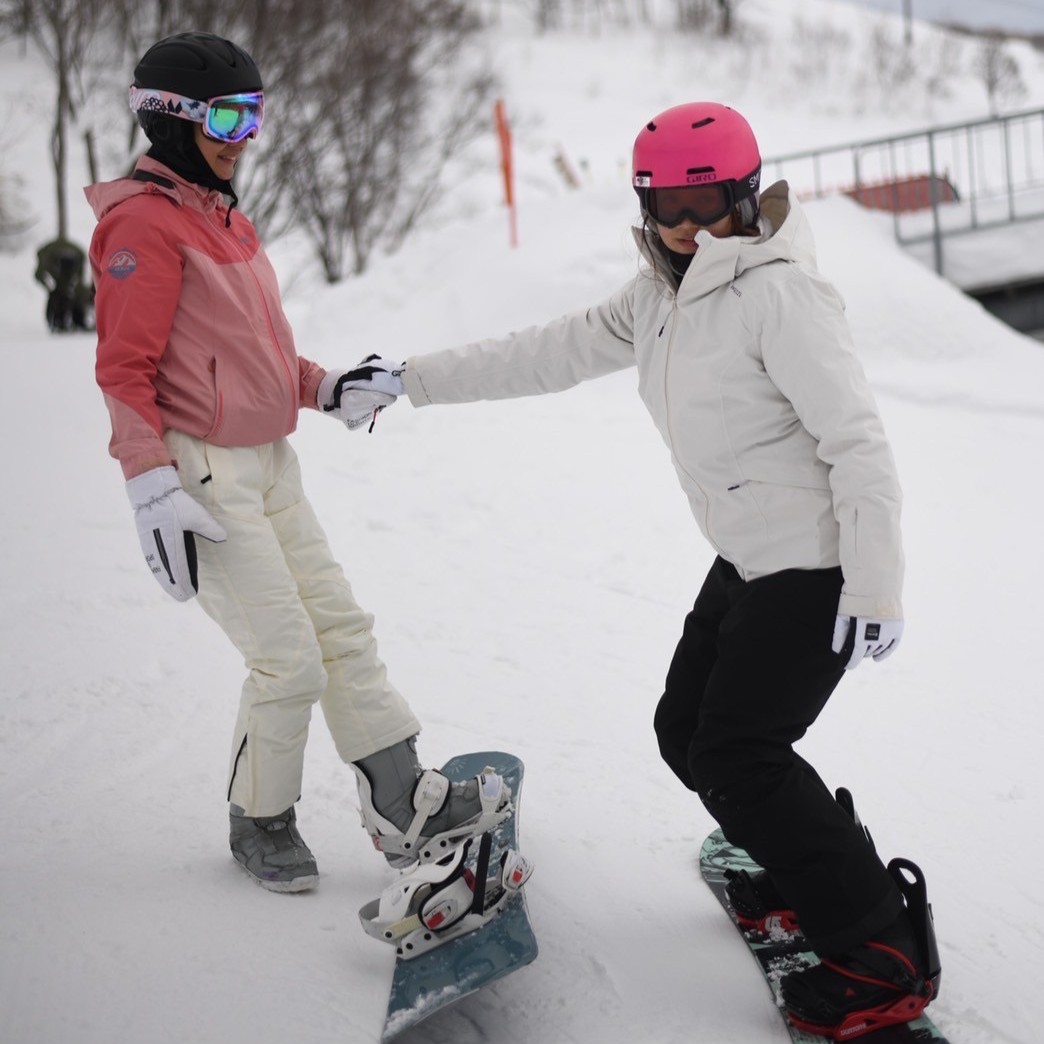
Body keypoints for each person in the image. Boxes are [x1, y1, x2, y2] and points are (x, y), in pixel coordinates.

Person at [336, 102, 940, 1035]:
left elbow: (858, 445)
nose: (692, 230)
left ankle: (881, 953)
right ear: (647, 210)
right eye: (672, 209)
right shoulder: (660, 294)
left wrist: (877, 585)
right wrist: (410, 379)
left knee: (739, 757)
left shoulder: (781, 294)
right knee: (685, 730)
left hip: (814, 569)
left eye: (712, 206)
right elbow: (543, 352)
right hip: (746, 558)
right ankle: (797, 866)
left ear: (747, 197)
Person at [84, 31, 509, 894]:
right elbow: (123, 367)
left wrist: (323, 388)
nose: (245, 136)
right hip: (200, 471)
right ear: (171, 120)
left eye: (257, 115)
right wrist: (147, 479)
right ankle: (259, 819)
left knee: (340, 629)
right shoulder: (142, 224)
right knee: (288, 657)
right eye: (229, 117)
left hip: (269, 462)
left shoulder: (222, 216)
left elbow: (252, 356)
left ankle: (404, 802)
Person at [34, 236, 94, 332]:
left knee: (69, 295)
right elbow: (39, 274)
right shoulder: (48, 254)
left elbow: (39, 274)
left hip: (66, 276)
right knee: (62, 295)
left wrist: (51, 288)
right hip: (61, 278)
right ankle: (62, 321)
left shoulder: (46, 254)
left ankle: (72, 321)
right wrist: (51, 288)